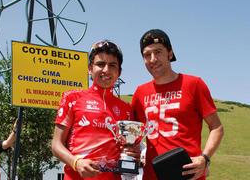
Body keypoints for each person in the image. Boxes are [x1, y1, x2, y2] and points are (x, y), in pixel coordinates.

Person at [131, 29, 224, 180]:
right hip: (152, 175)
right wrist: (132, 150)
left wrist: (205, 159)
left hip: (187, 174)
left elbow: (217, 127)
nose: (153, 59)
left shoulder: (194, 84)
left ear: (170, 53)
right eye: (147, 55)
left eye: (158, 52)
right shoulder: (140, 93)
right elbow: (132, 134)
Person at [52, 40, 136, 180]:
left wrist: (133, 153)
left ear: (119, 72)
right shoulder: (72, 98)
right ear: (90, 68)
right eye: (100, 64)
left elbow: (128, 149)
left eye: (112, 65)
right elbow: (56, 145)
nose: (106, 70)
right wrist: (76, 163)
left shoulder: (126, 109)